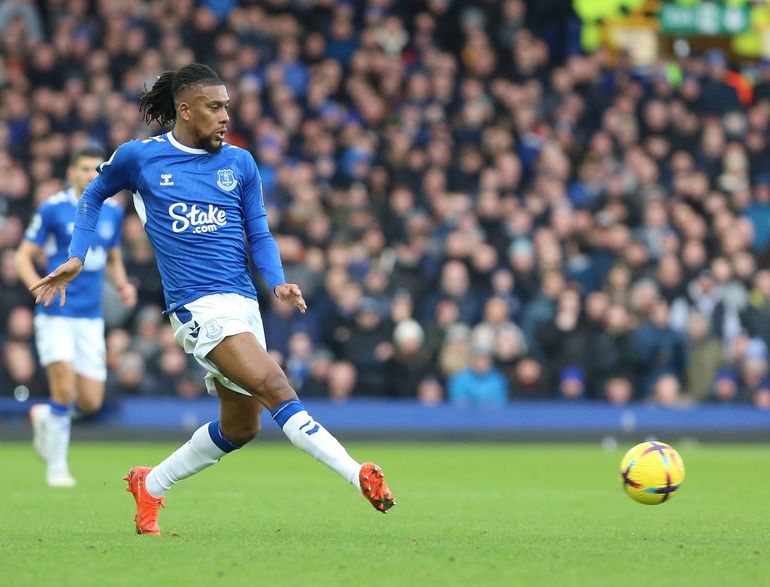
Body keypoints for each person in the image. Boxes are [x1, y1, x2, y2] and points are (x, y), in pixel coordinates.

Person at [30, 64, 395, 534]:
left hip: (243, 303)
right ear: (185, 110)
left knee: (242, 427)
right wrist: (77, 256)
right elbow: (93, 195)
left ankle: (150, 484)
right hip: (196, 307)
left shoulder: (240, 163)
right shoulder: (141, 157)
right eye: (214, 107)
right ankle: (357, 473)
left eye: (227, 106)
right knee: (276, 385)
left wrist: (277, 281)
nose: (225, 116)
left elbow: (258, 231)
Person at [16, 145, 137, 487]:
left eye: (95, 170)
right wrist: (36, 288)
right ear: (71, 172)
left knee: (90, 400)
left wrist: (122, 283)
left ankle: (45, 416)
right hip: (56, 313)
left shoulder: (112, 211)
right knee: (64, 388)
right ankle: (57, 468)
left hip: (90, 318)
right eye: (83, 168)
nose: (89, 175)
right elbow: (23, 256)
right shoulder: (53, 208)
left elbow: (112, 256)